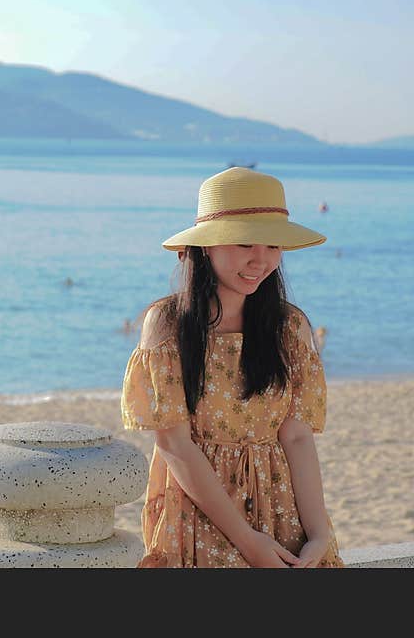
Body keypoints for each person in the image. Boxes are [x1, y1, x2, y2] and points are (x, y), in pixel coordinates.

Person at [120, 167, 344, 568]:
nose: (261, 260)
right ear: (207, 246)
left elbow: (296, 438)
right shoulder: (168, 325)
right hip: (200, 514)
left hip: (282, 509)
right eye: (244, 244)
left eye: (273, 245)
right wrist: (247, 540)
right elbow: (174, 444)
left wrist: (320, 534)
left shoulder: (289, 326)